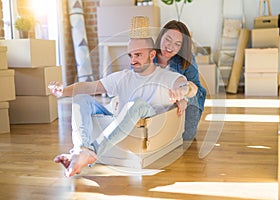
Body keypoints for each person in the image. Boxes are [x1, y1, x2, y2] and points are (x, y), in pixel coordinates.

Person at [48, 17, 196, 177]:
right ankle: (81, 149)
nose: (133, 60)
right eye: (130, 55)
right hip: (121, 120)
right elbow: (90, 86)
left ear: (152, 54)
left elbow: (188, 86)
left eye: (138, 55)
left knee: (136, 105)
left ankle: (92, 151)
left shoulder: (167, 76)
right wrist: (63, 91)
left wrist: (184, 91)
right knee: (80, 98)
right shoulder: (123, 77)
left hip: (147, 119)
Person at [154, 20, 207, 141]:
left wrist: (185, 98)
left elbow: (196, 89)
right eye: (168, 39)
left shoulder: (187, 58)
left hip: (184, 99)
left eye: (177, 44)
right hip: (156, 99)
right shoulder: (147, 55)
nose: (170, 47)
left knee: (186, 137)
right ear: (161, 36)